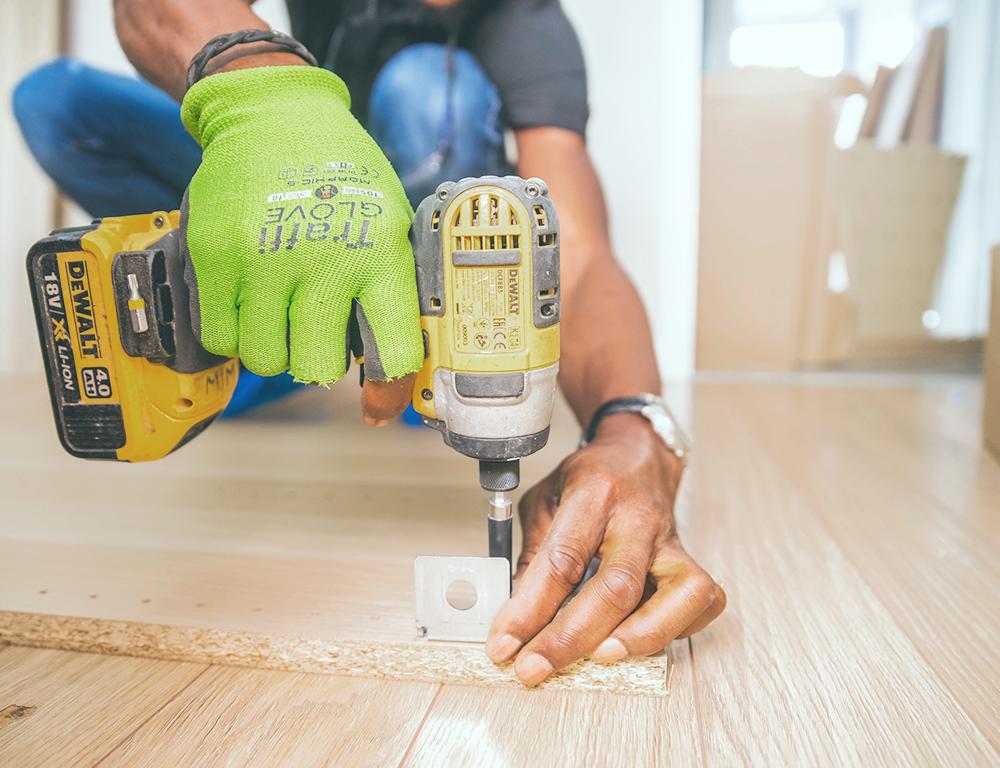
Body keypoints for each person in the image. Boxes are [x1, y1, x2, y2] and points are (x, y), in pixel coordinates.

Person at [12, 0, 725, 686]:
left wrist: (635, 429)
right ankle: (274, 324)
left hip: (411, 239)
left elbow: (581, 251)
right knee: (59, 101)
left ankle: (393, 344)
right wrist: (265, 96)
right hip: (290, 187)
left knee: (427, 85)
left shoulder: (527, 20)